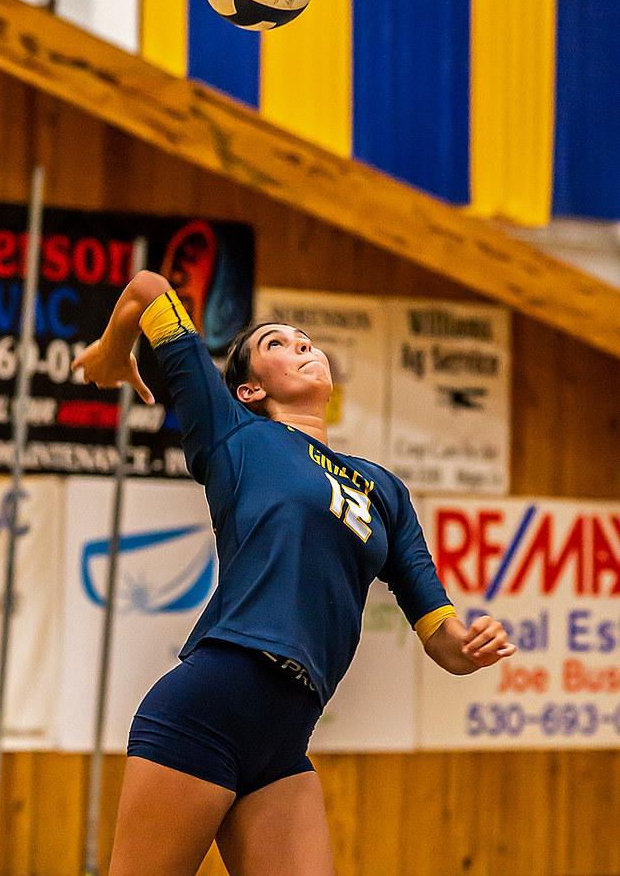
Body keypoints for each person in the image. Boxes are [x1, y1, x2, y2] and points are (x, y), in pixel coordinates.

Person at [72, 269, 517, 876]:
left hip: (285, 736)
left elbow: (442, 636)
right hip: (209, 705)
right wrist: (114, 351)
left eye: (304, 338)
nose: (302, 345)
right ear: (250, 390)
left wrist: (470, 646)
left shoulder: (384, 488)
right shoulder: (233, 434)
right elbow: (149, 287)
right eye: (276, 343)